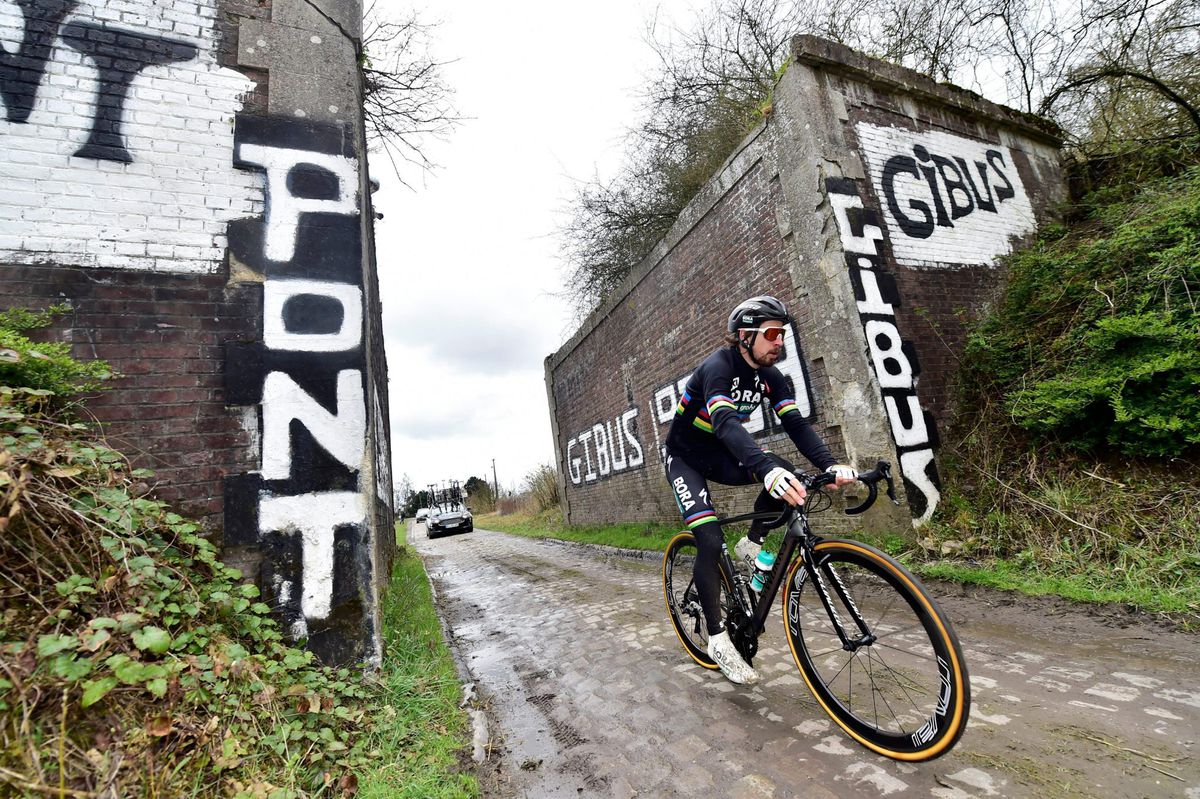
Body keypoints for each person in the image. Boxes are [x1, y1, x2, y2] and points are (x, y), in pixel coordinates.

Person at [664, 295, 855, 685]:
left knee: (789, 476)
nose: (779, 342)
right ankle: (717, 639)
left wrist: (829, 464)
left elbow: (797, 426)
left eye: (782, 334)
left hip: (722, 456)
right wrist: (763, 468)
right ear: (744, 336)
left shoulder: (772, 378)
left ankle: (751, 544)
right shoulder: (717, 368)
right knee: (710, 538)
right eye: (771, 334)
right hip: (686, 459)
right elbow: (725, 424)